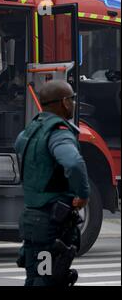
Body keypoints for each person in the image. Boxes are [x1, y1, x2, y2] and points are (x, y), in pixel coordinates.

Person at [15, 80, 90, 286]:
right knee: (46, 280)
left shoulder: (31, 130)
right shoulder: (58, 132)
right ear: (65, 102)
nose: (74, 103)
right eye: (72, 99)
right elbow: (73, 163)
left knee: (36, 277)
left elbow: (19, 146)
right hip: (51, 222)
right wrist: (83, 195)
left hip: (32, 218)